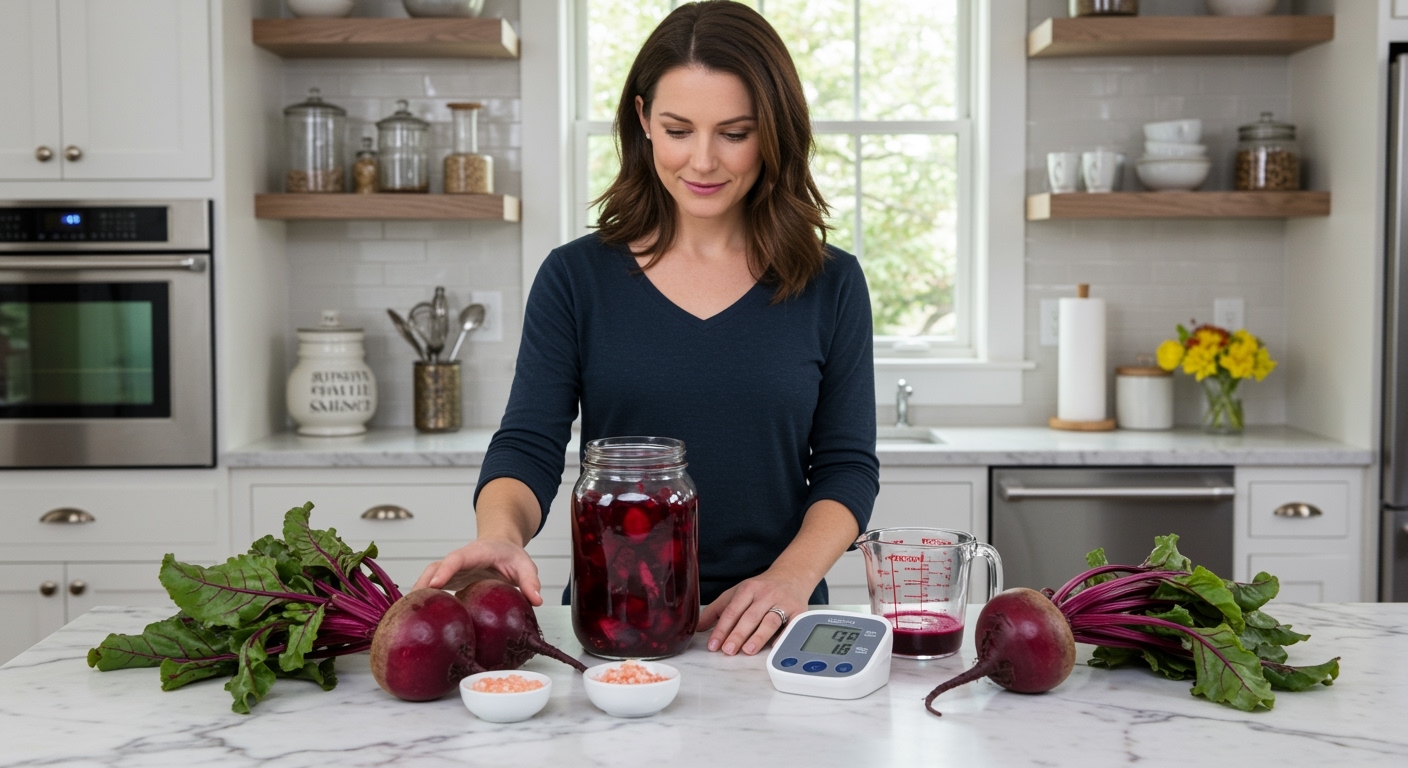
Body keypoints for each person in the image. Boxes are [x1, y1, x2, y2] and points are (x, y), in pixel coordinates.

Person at [415, 0, 878, 658]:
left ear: (773, 131)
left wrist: (790, 576)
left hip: (773, 626)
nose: (705, 160)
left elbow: (845, 468)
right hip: (616, 626)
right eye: (679, 129)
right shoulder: (576, 278)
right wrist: (501, 535)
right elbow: (528, 445)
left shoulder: (831, 282)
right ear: (643, 122)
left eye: (735, 132)